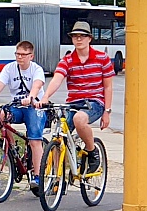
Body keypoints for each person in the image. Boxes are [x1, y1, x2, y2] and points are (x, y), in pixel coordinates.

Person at [37, 21, 114, 174]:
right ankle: (56, 179)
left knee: (79, 119)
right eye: (75, 36)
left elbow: (108, 86)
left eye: (82, 36)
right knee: (59, 135)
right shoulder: (67, 60)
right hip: (74, 102)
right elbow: (57, 79)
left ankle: (92, 152)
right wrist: (45, 97)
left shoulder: (102, 58)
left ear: (89, 38)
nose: (79, 39)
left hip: (94, 102)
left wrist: (107, 111)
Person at [0, 40, 46, 191]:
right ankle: (11, 146)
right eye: (17, 54)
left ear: (31, 56)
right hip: (16, 106)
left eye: (24, 54)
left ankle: (37, 175)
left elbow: (37, 85)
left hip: (32, 106)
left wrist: (31, 98)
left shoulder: (37, 69)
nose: (20, 57)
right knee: (1, 115)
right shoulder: (9, 68)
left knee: (34, 140)